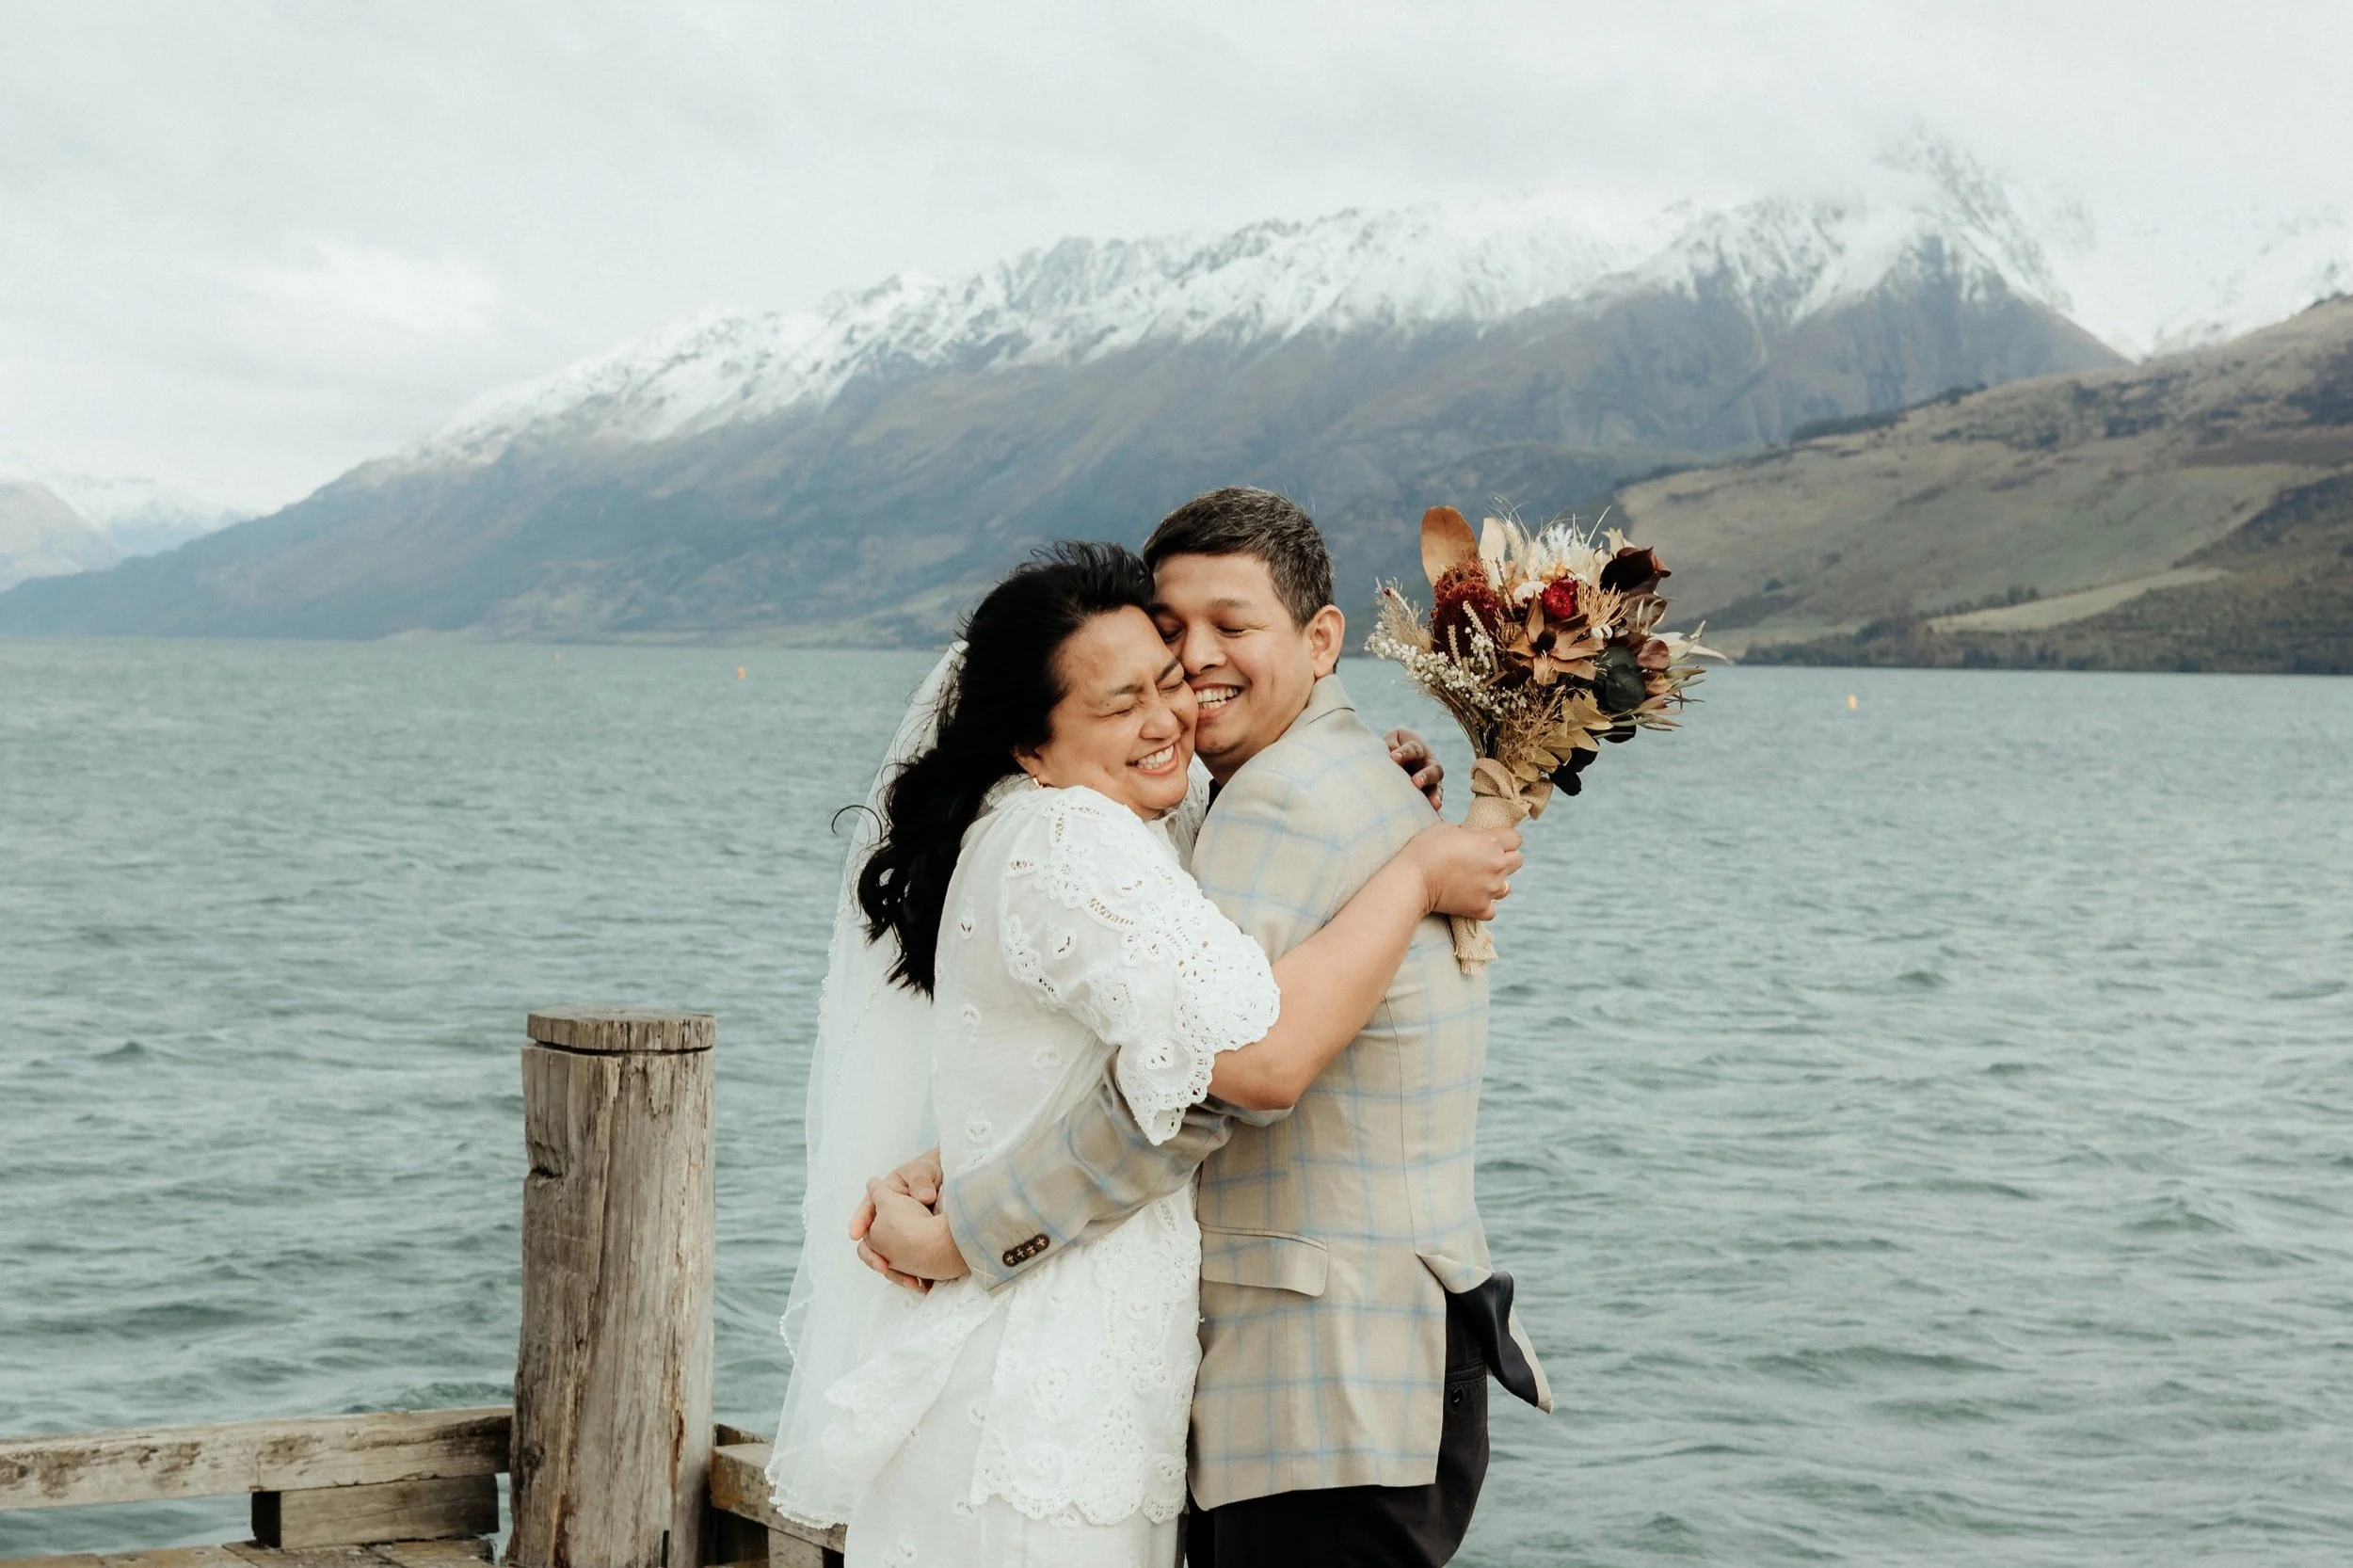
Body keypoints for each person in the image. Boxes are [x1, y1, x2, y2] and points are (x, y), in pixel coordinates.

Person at [765, 537, 1520, 1567]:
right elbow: (1245, 1063)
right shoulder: (1078, 838)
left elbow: (1101, 1060)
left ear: (1322, 637)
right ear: (1033, 747)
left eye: (1167, 679)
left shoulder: (1118, 822)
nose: (1171, 712)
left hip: (1110, 1375)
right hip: (1054, 1387)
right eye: (1120, 704)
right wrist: (1417, 872)